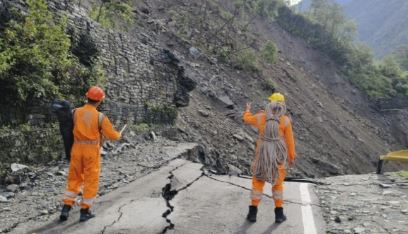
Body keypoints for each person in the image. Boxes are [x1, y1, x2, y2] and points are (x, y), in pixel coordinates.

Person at [60, 86, 121, 222]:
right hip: (91, 152)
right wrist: (118, 135)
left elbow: (68, 128)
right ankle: (85, 210)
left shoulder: (75, 112)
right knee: (90, 180)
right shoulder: (100, 117)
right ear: (100, 101)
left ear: (87, 97)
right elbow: (112, 135)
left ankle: (66, 208)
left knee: (74, 178)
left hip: (76, 149)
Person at [242, 92, 296, 223]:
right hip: (278, 158)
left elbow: (247, 120)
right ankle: (279, 214)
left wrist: (247, 111)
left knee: (258, 182)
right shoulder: (285, 121)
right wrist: (291, 157)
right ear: (282, 105)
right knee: (277, 185)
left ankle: (252, 213)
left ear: (270, 103)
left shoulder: (261, 117)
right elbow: (290, 141)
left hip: (262, 157)